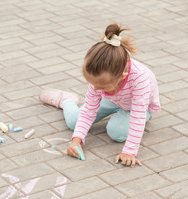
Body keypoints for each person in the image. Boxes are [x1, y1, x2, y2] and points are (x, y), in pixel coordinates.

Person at [39, 23, 161, 167]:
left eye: (102, 86)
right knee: (73, 122)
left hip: (138, 107)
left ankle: (145, 115)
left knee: (116, 132)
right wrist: (76, 140)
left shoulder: (140, 78)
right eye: (93, 83)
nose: (96, 88)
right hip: (113, 100)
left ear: (122, 75)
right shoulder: (101, 73)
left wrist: (129, 151)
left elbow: (137, 116)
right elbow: (89, 110)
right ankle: (66, 100)